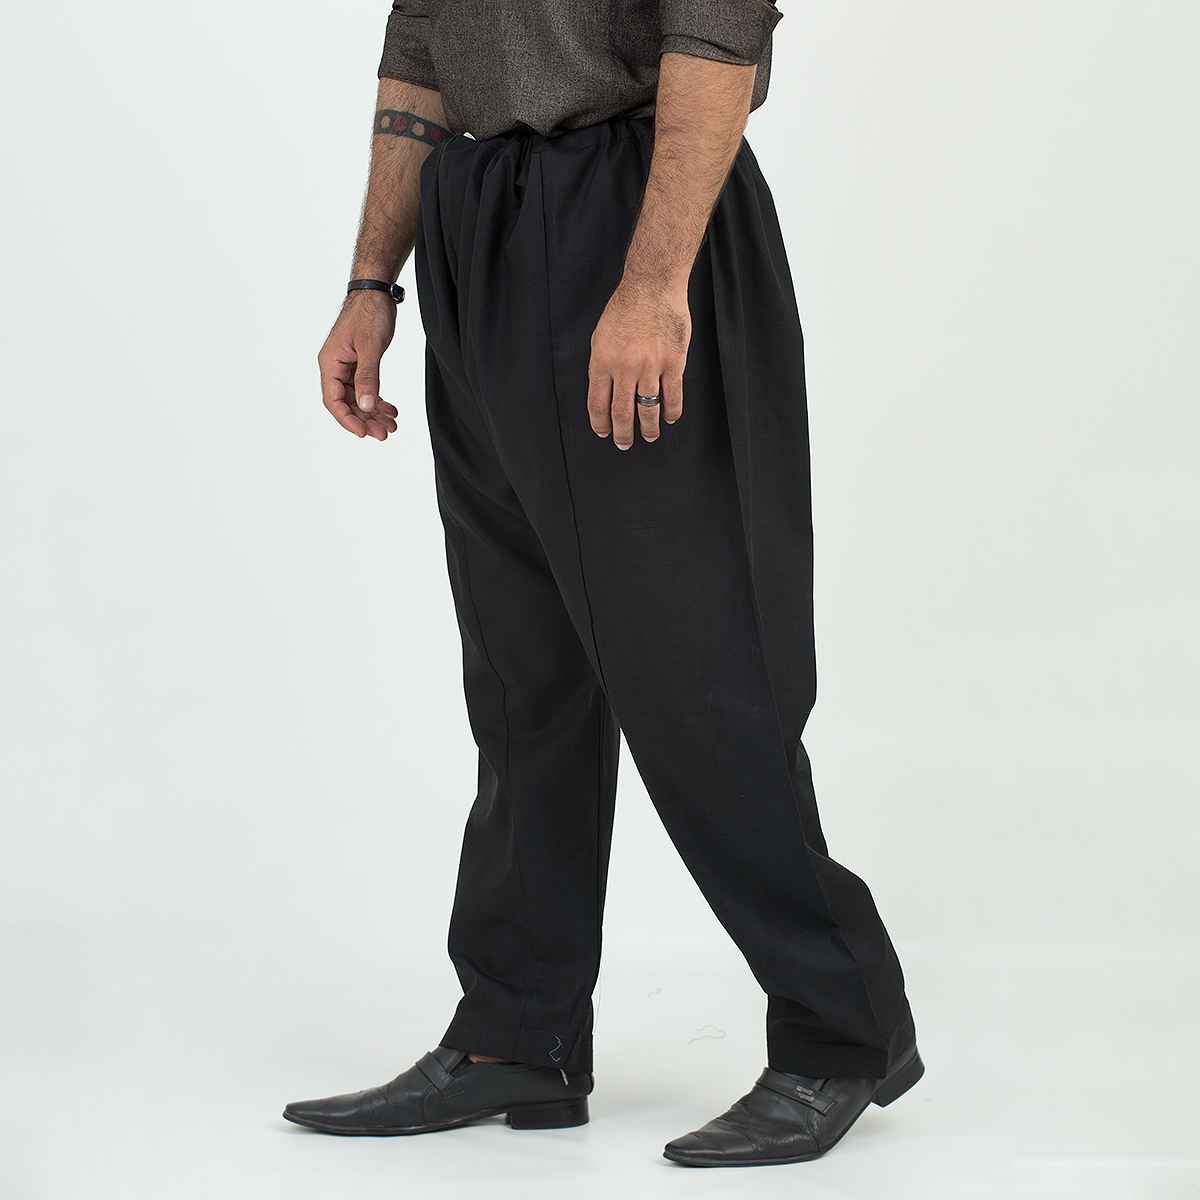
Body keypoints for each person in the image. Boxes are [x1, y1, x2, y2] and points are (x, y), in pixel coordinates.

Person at [284, 0, 922, 1168]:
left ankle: (842, 1031)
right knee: (522, 676)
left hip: (631, 214)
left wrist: (654, 281)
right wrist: (374, 281)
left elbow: (716, 39)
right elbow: (420, 54)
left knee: (700, 664)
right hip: (476, 218)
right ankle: (516, 1031)